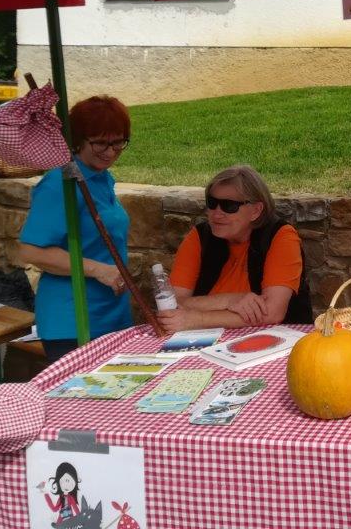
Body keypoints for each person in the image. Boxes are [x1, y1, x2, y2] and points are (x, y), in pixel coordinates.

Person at [18, 96, 133, 362]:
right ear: (78, 140)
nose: (110, 151)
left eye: (118, 142)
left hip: (111, 314)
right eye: (100, 143)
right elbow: (31, 251)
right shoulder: (61, 184)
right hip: (73, 321)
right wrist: (99, 270)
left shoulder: (100, 178)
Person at [159, 164, 312, 332]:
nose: (217, 213)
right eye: (212, 203)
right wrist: (230, 301)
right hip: (206, 338)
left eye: (229, 206)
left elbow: (272, 313)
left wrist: (197, 319)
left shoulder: (280, 236)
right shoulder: (200, 237)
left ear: (256, 210)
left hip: (275, 339)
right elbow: (172, 305)